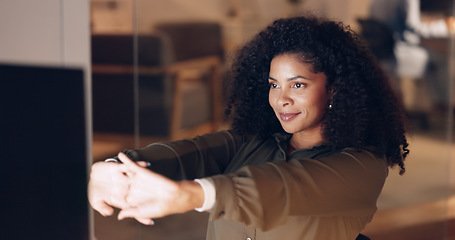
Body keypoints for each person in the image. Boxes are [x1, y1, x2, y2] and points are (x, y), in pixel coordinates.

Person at [88, 15, 409, 240]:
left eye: (297, 85)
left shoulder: (361, 167)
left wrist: (192, 195)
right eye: (273, 84)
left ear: (335, 90)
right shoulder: (254, 142)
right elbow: (190, 153)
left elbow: (281, 187)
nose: (281, 99)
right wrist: (116, 168)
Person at [369, 0, 455, 110]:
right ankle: (443, 107)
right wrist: (444, 26)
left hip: (382, 53)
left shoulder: (376, 2)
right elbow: (413, 28)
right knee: (439, 61)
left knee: (432, 58)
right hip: (398, 52)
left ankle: (440, 106)